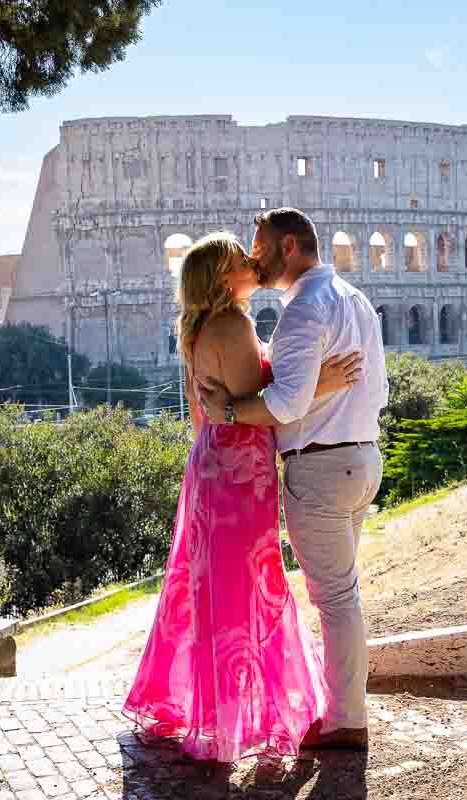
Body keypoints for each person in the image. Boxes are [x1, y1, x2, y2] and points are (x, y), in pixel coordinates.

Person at [122, 231, 363, 763]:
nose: (253, 261)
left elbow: (206, 409)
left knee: (216, 584)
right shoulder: (232, 324)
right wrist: (319, 381)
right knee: (246, 584)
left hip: (216, 461)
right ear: (222, 277)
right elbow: (272, 398)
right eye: (241, 259)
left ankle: (219, 707)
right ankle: (247, 713)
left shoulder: (202, 327)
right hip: (238, 466)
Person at [198, 208, 388, 751]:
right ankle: (343, 710)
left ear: (286, 246)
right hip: (362, 458)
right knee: (344, 595)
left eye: (259, 247)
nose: (254, 258)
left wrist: (230, 412)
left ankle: (346, 720)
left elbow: (283, 403)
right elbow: (378, 390)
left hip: (322, 470)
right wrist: (325, 392)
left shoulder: (304, 310)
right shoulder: (355, 300)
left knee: (336, 599)